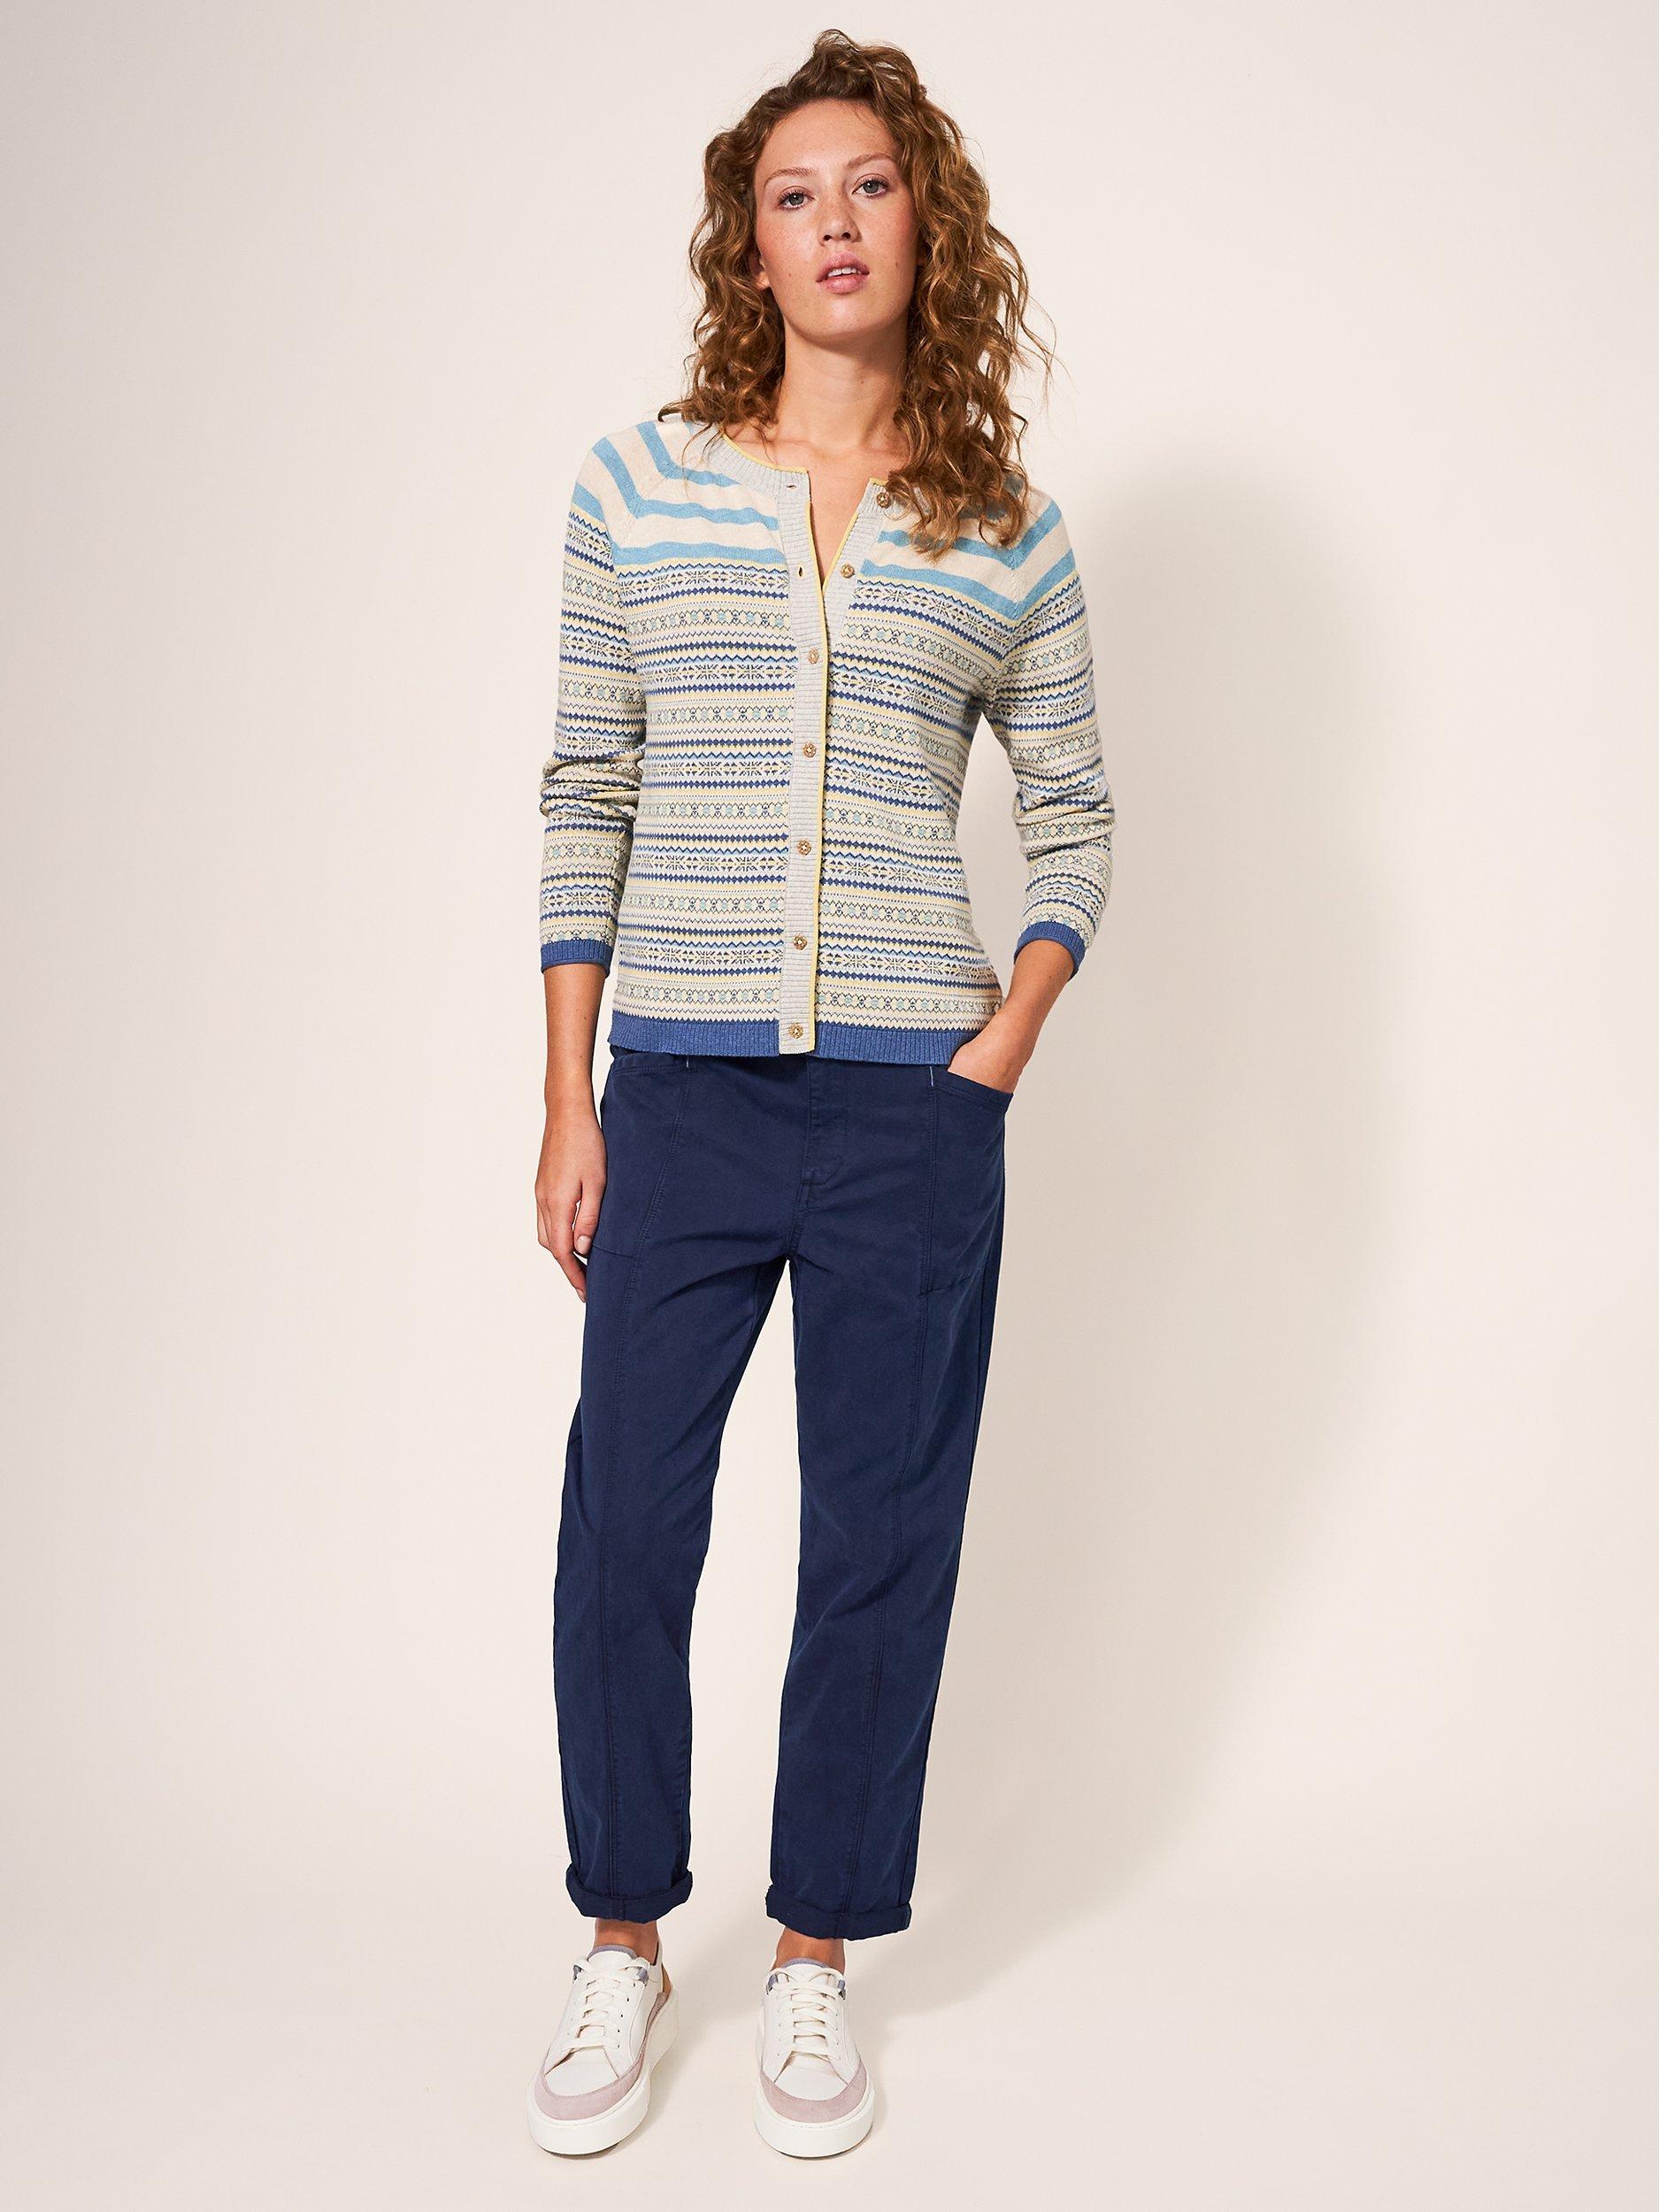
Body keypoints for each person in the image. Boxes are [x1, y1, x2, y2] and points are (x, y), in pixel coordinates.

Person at [526, 31, 1114, 2160]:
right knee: (627, 1515)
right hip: (678, 1092)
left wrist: (994, 1049)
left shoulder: (1002, 529)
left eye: (867, 184)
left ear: (921, 223)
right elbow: (583, 790)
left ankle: (809, 1956)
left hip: (905, 1114)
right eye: (793, 193)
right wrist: (570, 1095)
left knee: (877, 1536)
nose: (834, 222)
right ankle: (619, 1934)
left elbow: (1075, 820)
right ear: (748, 245)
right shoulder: (638, 486)